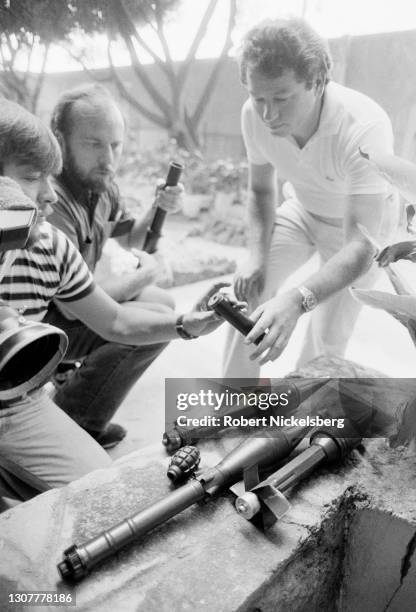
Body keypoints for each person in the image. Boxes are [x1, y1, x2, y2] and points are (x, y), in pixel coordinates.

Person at [0, 99, 224, 502]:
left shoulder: (54, 238)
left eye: (116, 145)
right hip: (49, 332)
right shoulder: (56, 213)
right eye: (32, 177)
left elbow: (116, 321)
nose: (48, 197)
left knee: (103, 492)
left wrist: (186, 325)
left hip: (15, 400)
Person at [223, 18, 400, 377]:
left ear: (317, 83)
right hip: (302, 210)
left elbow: (359, 247)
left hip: (361, 234)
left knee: (325, 338)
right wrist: (255, 258)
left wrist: (297, 299)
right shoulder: (252, 114)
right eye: (259, 99)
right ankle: (233, 407)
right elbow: (260, 190)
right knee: (245, 294)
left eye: (282, 98)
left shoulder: (364, 126)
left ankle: (297, 421)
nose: (268, 114)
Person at [44, 84, 184, 447]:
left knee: (162, 304)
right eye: (93, 144)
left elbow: (131, 239)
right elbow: (70, 308)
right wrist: (149, 271)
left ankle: (75, 389)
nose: (108, 158)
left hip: (74, 307)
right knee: (151, 329)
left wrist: (159, 206)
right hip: (44, 325)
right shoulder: (52, 201)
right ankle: (73, 422)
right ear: (60, 139)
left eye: (116, 145)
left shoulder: (101, 186)